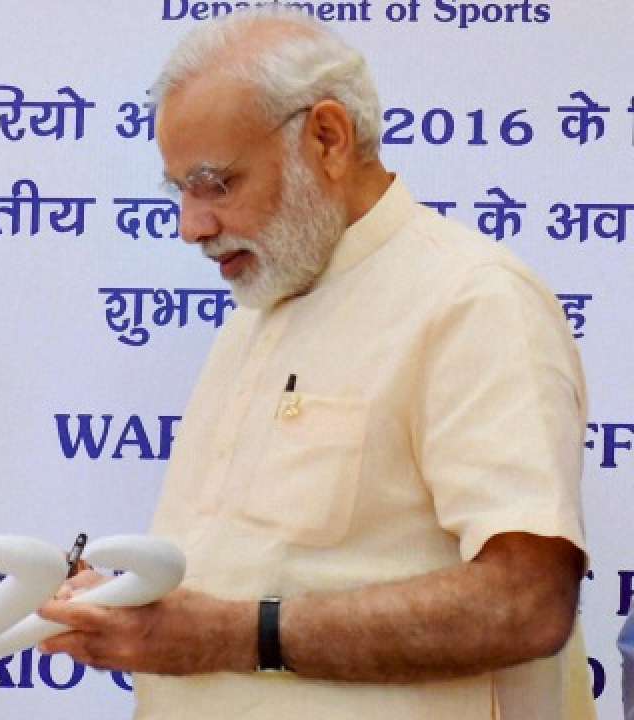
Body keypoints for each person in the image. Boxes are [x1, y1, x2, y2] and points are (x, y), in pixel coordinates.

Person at [37, 11, 592, 719]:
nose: (191, 225)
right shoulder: (259, 309)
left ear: (327, 139)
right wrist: (128, 609)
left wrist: (231, 637)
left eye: (215, 183)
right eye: (178, 190)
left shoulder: (472, 300)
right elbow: (259, 576)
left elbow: (525, 605)